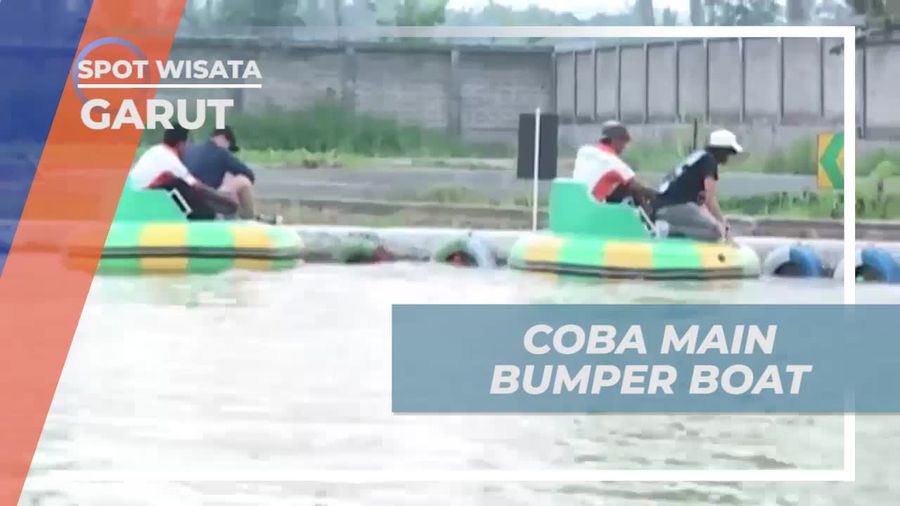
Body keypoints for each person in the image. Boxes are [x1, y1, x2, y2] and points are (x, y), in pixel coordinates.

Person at [129, 124, 238, 220]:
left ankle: (212, 210)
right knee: (184, 187)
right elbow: (197, 186)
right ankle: (209, 216)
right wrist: (225, 200)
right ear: (181, 144)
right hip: (147, 201)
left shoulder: (155, 150)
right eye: (187, 145)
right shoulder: (172, 161)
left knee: (178, 185)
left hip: (136, 196)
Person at [653, 129, 743, 242]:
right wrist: (722, 224)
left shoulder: (697, 157)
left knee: (709, 225)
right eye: (729, 153)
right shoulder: (709, 161)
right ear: (722, 151)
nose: (728, 157)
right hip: (675, 206)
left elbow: (702, 201)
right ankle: (668, 230)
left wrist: (715, 221)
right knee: (715, 232)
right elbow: (710, 200)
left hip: (663, 206)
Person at [572, 120, 656, 211]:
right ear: (616, 140)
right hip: (593, 211)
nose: (624, 147)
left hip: (576, 205)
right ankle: (645, 223)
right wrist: (656, 196)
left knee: (619, 188)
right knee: (631, 191)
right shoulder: (613, 162)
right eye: (624, 142)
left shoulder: (584, 151)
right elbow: (636, 187)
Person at [182, 126, 259, 220]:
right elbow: (249, 175)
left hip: (186, 198)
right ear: (226, 140)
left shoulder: (190, 149)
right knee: (243, 181)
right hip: (206, 198)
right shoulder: (222, 152)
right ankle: (249, 220)